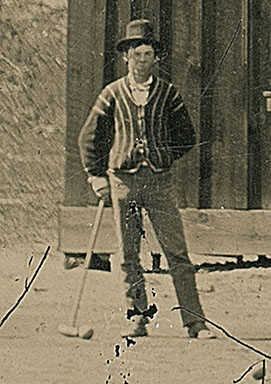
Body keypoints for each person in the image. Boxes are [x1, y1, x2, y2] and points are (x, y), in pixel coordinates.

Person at [77, 19, 214, 339]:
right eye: (136, 54)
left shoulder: (168, 94)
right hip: (122, 182)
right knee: (127, 254)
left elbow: (186, 136)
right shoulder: (111, 93)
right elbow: (89, 139)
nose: (142, 60)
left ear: (156, 58)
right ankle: (137, 318)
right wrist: (96, 177)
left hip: (159, 183)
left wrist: (162, 156)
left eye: (148, 54)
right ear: (126, 56)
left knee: (177, 253)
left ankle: (195, 322)